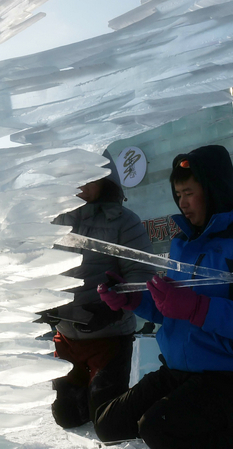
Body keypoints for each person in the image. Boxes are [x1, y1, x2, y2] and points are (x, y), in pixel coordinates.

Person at [96, 145, 233, 449]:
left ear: (213, 189)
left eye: (189, 192)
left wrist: (197, 307)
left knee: (159, 429)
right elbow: (171, 310)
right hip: (182, 370)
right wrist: (132, 300)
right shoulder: (183, 244)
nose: (182, 203)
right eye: (178, 194)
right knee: (109, 424)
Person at [48, 150, 159, 429]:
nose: (82, 186)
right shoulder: (54, 222)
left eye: (90, 178)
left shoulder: (125, 221)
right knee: (67, 417)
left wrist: (111, 310)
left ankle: (156, 406)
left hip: (110, 336)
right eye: (75, 178)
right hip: (67, 336)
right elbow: (40, 268)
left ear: (105, 178)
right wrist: (43, 304)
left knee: (107, 421)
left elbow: (141, 275)